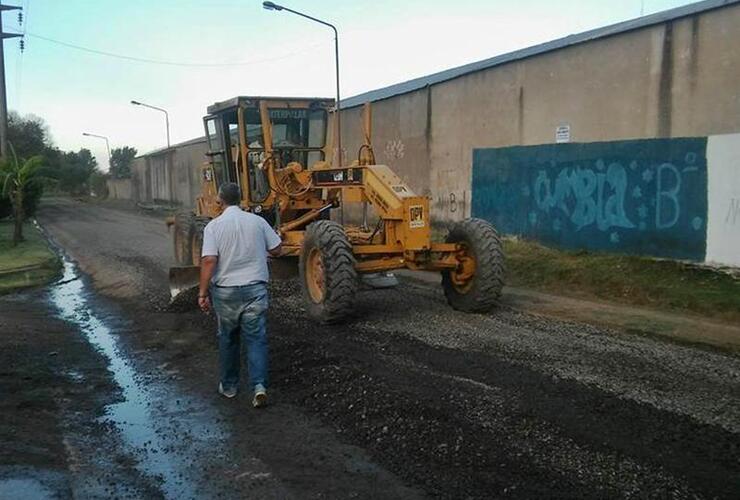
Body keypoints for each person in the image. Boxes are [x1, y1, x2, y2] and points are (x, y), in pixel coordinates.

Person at [197, 182, 282, 408]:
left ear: (220, 201)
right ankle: (259, 387)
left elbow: (209, 260)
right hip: (255, 289)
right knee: (256, 338)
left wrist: (202, 292)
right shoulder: (258, 222)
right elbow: (277, 248)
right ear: (241, 199)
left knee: (228, 338)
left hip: (225, 293)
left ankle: (230, 386)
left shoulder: (213, 227)